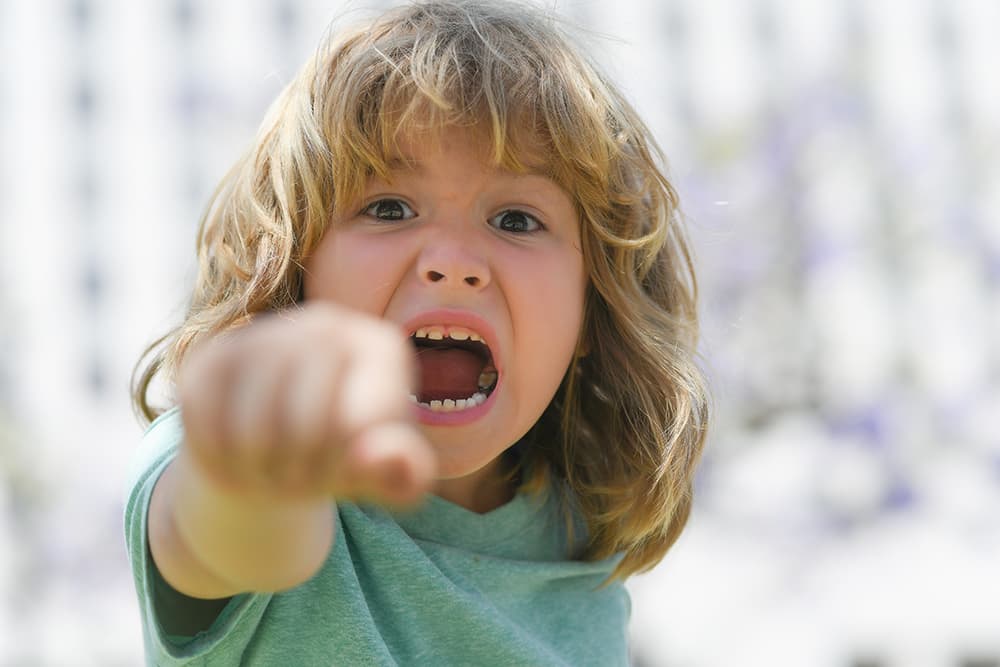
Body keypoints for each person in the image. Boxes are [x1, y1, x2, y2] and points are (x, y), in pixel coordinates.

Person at [125, 0, 709, 664]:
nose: (452, 263)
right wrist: (251, 472)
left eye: (516, 219)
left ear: (591, 311)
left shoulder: (580, 537)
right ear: (294, 271)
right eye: (389, 207)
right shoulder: (233, 453)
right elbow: (231, 535)